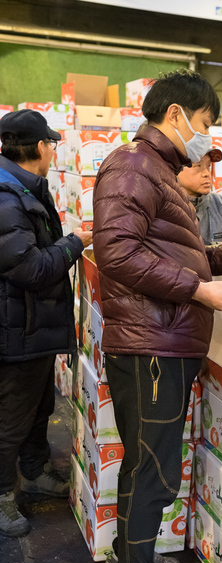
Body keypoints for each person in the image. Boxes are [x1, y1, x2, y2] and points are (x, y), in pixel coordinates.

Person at [92, 70, 222, 563]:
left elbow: (164, 251)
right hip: (151, 345)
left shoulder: (159, 173)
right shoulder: (134, 167)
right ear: (176, 115)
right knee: (155, 471)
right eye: (206, 123)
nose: (205, 136)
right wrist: (199, 290)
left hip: (162, 340)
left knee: (148, 465)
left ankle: (127, 562)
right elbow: (116, 252)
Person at [0, 109, 92, 537]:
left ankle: (34, 472)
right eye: (52, 144)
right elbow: (30, 269)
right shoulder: (5, 196)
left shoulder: (25, 188)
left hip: (32, 326)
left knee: (40, 408)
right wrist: (75, 243)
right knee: (11, 419)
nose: (54, 150)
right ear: (40, 148)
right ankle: (3, 497)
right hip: (15, 329)